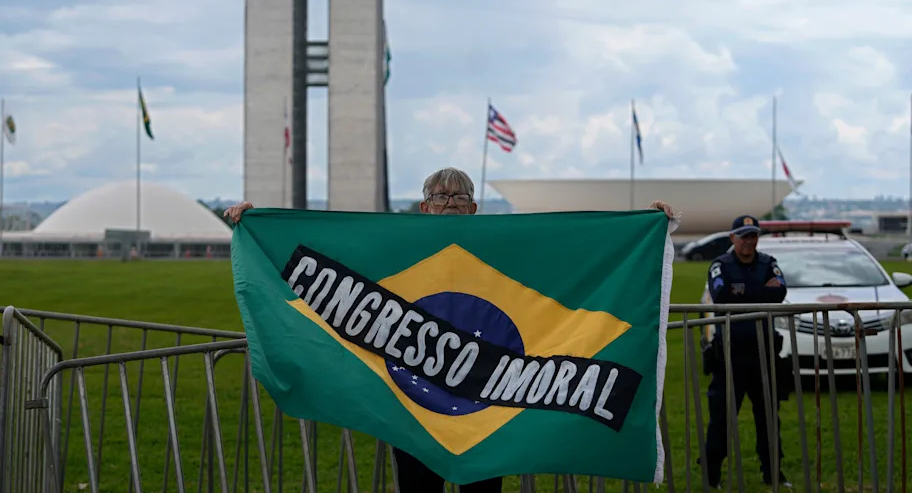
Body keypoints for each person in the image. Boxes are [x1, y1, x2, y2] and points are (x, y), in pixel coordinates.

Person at [224, 167, 675, 491]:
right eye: (440, 197)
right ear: (424, 205)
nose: (450, 204)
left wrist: (647, 224)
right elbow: (325, 247)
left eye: (459, 198)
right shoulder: (395, 246)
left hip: (490, 406)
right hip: (413, 408)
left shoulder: (503, 248)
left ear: (474, 206)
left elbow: (573, 251)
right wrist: (254, 221)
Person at [702, 215, 790, 489]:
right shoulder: (720, 265)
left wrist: (741, 292)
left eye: (753, 235)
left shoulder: (768, 263)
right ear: (732, 239)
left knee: (768, 419)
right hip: (729, 356)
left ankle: (773, 474)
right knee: (722, 420)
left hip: (763, 355)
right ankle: (712, 475)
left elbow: (780, 292)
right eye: (743, 236)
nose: (749, 241)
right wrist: (759, 291)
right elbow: (722, 297)